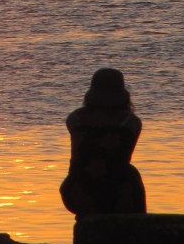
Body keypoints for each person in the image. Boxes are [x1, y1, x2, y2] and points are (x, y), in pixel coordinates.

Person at [59, 67, 146, 216]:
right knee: (131, 173)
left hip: (77, 190)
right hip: (118, 192)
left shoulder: (75, 119)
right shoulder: (131, 122)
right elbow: (122, 159)